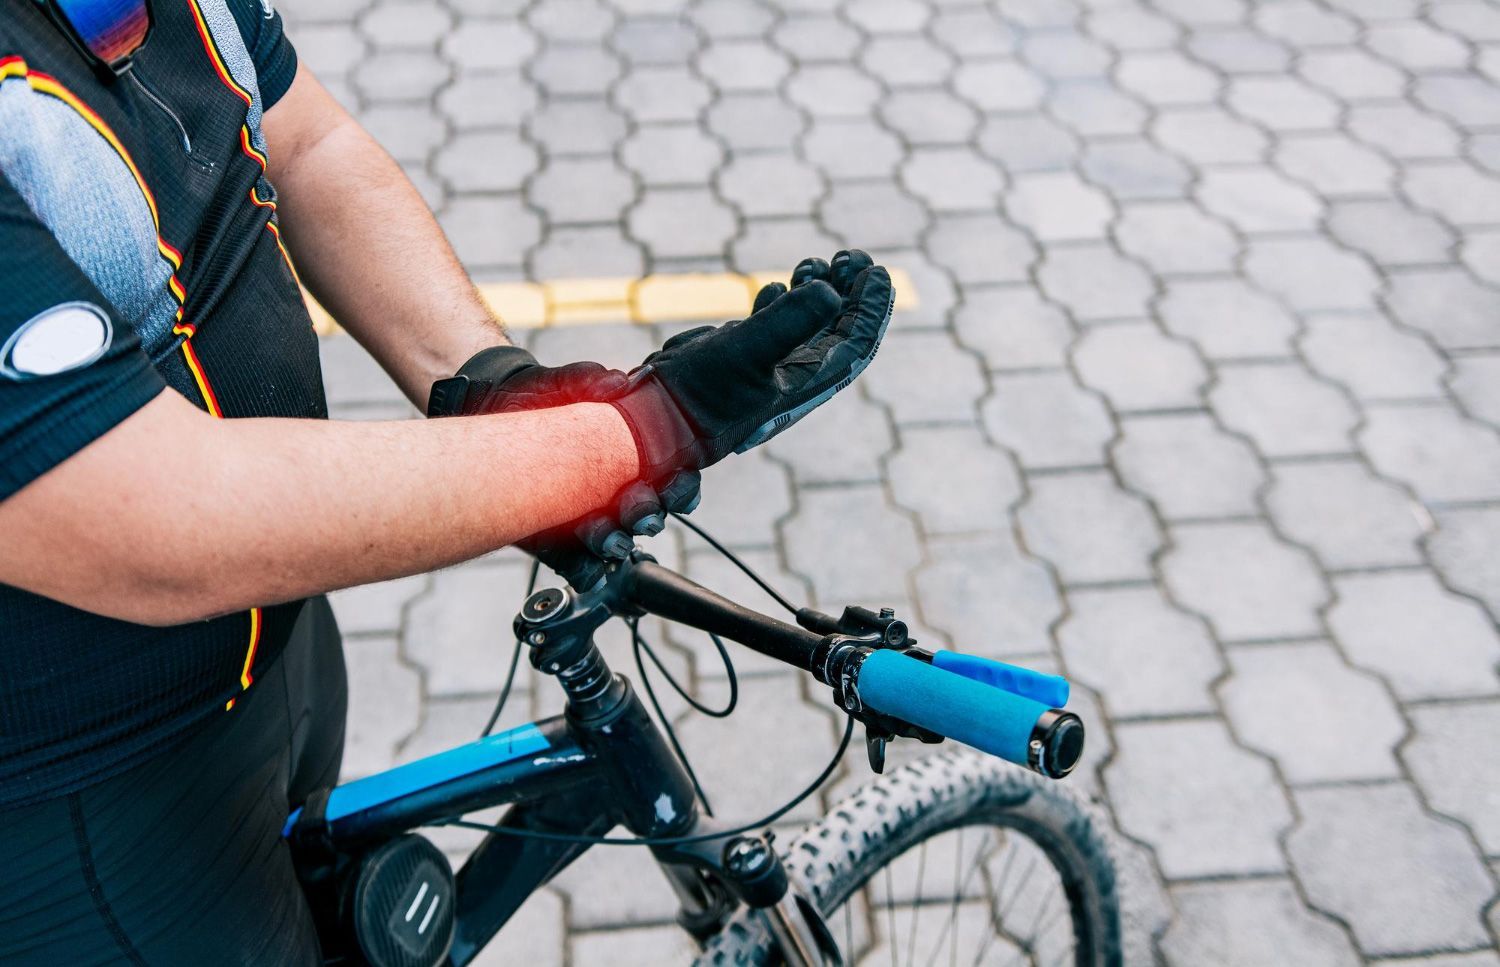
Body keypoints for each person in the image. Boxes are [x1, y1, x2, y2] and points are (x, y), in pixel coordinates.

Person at [0, 1, 892, 962]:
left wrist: (490, 386)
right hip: (95, 803)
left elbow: (299, 139)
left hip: (281, 658)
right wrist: (639, 434)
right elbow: (153, 515)